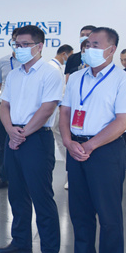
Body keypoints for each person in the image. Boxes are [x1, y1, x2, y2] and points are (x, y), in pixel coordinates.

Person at [58, 27, 126, 253]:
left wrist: (90, 146)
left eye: (95, 44)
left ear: (111, 49)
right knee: (79, 212)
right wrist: (68, 141)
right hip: (76, 148)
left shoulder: (123, 81)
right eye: (87, 44)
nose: (88, 48)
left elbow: (123, 121)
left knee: (108, 214)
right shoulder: (76, 77)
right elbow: (65, 111)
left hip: (105, 150)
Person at [0, 25, 63, 253]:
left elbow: (47, 108)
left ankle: (50, 251)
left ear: (39, 46)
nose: (20, 49)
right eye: (17, 44)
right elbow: (4, 105)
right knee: (16, 193)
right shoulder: (13, 75)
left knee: (41, 195)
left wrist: (22, 134)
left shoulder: (50, 73)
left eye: (25, 44)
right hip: (14, 135)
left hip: (36, 138)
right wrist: (11, 131)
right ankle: (21, 241)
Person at [0, 28, 21, 190]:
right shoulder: (3, 61)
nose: (17, 43)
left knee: (22, 144)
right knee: (3, 144)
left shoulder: (32, 63)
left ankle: (22, 178)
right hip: (4, 108)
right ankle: (4, 177)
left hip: (23, 111)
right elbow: (0, 84)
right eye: (14, 39)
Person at [49, 44, 73, 189]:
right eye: (70, 56)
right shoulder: (52, 68)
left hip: (57, 110)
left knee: (62, 143)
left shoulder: (57, 68)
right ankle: (71, 173)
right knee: (62, 143)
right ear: (64, 54)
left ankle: (71, 173)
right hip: (54, 111)